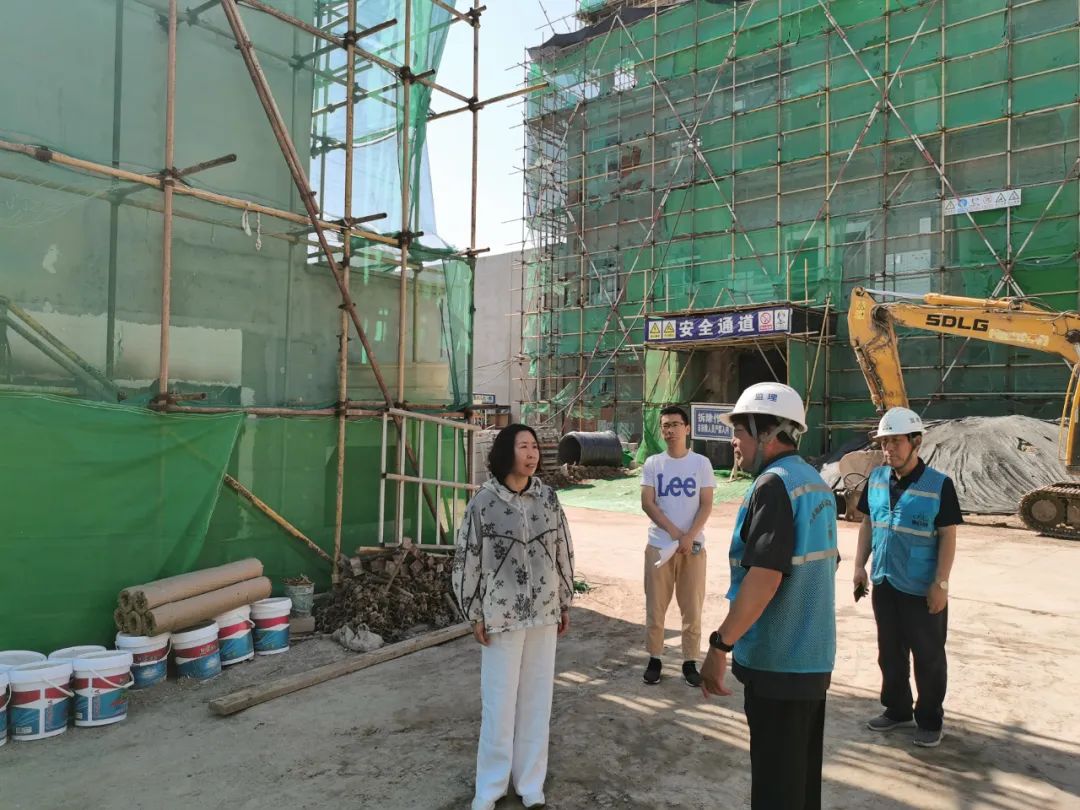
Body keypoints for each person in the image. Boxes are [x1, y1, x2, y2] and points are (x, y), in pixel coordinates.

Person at [700, 382, 838, 810]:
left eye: (740, 433)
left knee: (776, 789)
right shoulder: (815, 483)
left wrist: (720, 645)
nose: (734, 444)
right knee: (799, 785)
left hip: (779, 661)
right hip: (812, 659)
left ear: (769, 433)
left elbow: (764, 578)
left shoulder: (774, 486)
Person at [451, 423, 575, 810]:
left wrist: (564, 600)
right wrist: (474, 612)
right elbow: (467, 558)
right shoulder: (483, 502)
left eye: (535, 446)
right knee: (499, 704)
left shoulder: (548, 498)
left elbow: (563, 548)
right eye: (524, 446)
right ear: (506, 452)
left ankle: (530, 784)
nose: (532, 453)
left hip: (543, 613)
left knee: (537, 701)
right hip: (501, 614)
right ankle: (490, 788)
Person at [854, 406, 961, 748]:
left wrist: (941, 583)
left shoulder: (939, 485)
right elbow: (869, 524)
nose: (889, 449)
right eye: (884, 442)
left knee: (928, 657)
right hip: (884, 582)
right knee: (889, 653)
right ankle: (897, 709)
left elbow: (948, 535)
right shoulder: (876, 479)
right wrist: (859, 566)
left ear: (916, 442)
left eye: (896, 441)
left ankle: (929, 720)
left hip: (921, 588)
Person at [640, 404, 715, 686]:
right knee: (655, 607)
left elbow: (706, 504)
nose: (669, 430)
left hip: (692, 549)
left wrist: (689, 536)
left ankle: (690, 661)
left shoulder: (701, 464)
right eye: (665, 426)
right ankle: (655, 657)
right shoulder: (653, 463)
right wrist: (675, 533)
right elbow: (648, 503)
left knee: (692, 607)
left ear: (687, 428)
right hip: (659, 547)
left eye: (674, 424)